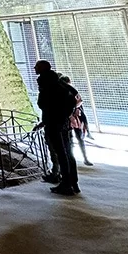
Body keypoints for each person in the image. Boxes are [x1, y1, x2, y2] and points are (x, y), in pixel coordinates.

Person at [34, 60, 80, 196]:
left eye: (37, 67)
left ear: (42, 69)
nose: (34, 68)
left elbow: (46, 103)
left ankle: (66, 184)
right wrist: (66, 114)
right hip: (62, 122)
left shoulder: (48, 83)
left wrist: (56, 114)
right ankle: (73, 182)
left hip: (55, 122)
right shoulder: (57, 81)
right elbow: (74, 94)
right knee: (67, 152)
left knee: (61, 153)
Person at [62, 76, 93, 166]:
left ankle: (83, 158)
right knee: (73, 138)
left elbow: (79, 101)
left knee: (75, 138)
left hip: (74, 116)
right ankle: (79, 158)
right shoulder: (69, 91)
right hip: (72, 116)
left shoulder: (70, 91)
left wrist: (74, 108)